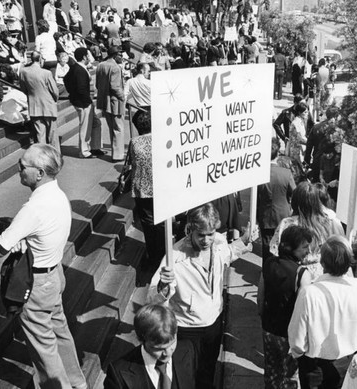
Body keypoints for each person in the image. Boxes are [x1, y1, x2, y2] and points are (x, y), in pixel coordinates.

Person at [0, 144, 87, 388]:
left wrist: (2, 229)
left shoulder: (33, 208)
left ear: (40, 173)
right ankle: (77, 382)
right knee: (60, 332)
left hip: (36, 284)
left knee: (43, 348)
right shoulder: (58, 195)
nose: (19, 170)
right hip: (55, 275)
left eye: (23, 166)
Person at [149, 203, 256, 389]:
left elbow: (228, 253)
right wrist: (163, 287)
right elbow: (152, 297)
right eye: (201, 235)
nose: (206, 240)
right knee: (186, 374)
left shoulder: (220, 242)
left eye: (210, 234)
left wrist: (244, 240)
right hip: (186, 327)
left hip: (214, 321)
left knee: (208, 369)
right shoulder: (174, 256)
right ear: (190, 229)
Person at [288, 235, 357, 389]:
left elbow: (297, 337)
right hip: (347, 362)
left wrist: (298, 356)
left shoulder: (309, 293)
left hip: (315, 364)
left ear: (322, 263)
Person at [259, 225, 312, 389]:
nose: (308, 251)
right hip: (290, 335)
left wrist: (262, 318)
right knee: (289, 377)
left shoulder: (269, 263)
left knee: (271, 373)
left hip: (269, 330)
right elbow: (305, 310)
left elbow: (260, 295)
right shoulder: (302, 273)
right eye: (304, 247)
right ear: (290, 247)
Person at [104, 304, 197, 389]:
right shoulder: (118, 372)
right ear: (141, 340)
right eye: (158, 349)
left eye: (172, 344)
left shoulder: (187, 349)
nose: (167, 353)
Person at [128, 108, 167, 270]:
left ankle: (154, 256)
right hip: (161, 187)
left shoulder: (135, 142)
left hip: (143, 189)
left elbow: (133, 163)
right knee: (162, 223)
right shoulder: (163, 139)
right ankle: (165, 254)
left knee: (149, 225)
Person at [257, 136, 296, 262]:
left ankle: (267, 272)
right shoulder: (286, 173)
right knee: (282, 246)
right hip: (283, 215)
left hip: (265, 216)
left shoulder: (258, 174)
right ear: (278, 154)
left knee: (266, 247)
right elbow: (295, 194)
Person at [64, 47, 104, 159]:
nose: (89, 57)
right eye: (88, 55)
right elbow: (81, 88)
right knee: (85, 127)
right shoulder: (79, 70)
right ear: (84, 57)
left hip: (83, 101)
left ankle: (95, 147)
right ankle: (84, 151)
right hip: (84, 103)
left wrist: (72, 93)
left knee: (96, 123)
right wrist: (86, 101)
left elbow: (66, 79)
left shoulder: (77, 68)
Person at [19, 51, 59, 149]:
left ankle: (42, 156)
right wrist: (55, 100)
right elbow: (54, 91)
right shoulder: (47, 73)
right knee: (52, 133)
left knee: (40, 134)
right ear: (40, 59)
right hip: (48, 104)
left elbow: (23, 88)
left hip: (34, 105)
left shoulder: (23, 71)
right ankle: (54, 154)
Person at [96, 45, 125, 162]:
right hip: (114, 101)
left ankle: (116, 153)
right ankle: (118, 155)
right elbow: (115, 86)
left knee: (112, 127)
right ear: (115, 55)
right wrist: (123, 97)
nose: (122, 57)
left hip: (104, 100)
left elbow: (98, 84)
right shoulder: (115, 68)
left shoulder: (100, 65)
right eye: (120, 55)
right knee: (118, 128)